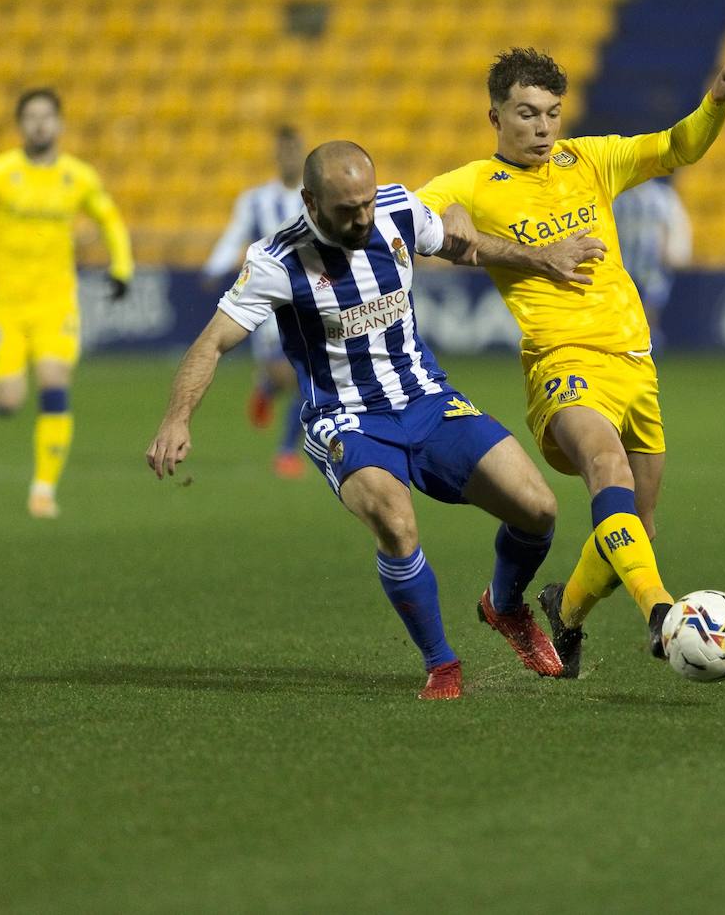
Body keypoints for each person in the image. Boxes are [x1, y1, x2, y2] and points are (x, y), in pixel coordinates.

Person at [146, 141, 569, 699]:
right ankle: (442, 663)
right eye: (347, 209)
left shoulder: (397, 208)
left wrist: (544, 257)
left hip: (426, 399)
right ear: (311, 202)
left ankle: (505, 605)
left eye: (366, 202)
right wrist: (177, 419)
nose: (362, 217)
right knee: (396, 522)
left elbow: (461, 246)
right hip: (345, 419)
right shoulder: (276, 262)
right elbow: (211, 344)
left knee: (538, 509)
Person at [418, 48, 725, 677]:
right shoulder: (472, 181)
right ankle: (662, 613)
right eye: (526, 114)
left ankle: (566, 612)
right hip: (562, 363)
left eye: (551, 113)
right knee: (607, 467)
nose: (543, 127)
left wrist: (716, 102)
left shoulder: (587, 160)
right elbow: (413, 219)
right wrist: (453, 225)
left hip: (635, 363)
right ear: (494, 116)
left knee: (640, 528)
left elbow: (676, 147)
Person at [0, 87, 133, 518]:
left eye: (47, 116)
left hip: (55, 303)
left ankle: (43, 489)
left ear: (59, 124)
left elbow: (109, 218)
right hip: (2, 305)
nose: (40, 124)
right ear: (20, 125)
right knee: (8, 401)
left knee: (55, 381)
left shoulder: (78, 177)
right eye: (31, 117)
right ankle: (4, 398)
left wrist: (121, 269)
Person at [201, 125, 310, 478]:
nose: (288, 157)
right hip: (267, 302)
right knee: (287, 375)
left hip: (308, 299)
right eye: (283, 151)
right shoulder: (256, 200)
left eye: (294, 150)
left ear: (303, 153)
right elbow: (235, 233)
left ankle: (285, 452)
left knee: (302, 377)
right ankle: (266, 388)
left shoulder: (316, 197)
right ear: (277, 156)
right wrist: (214, 267)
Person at [611, 176, 692, 346]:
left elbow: (674, 225)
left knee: (649, 311)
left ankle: (648, 346)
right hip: (621, 266)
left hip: (652, 265)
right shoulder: (617, 195)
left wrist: (675, 252)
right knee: (624, 313)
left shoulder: (662, 195)